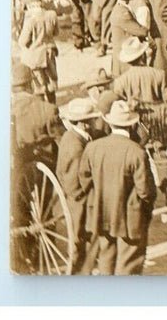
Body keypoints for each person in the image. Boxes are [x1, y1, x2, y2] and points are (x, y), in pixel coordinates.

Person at [78, 100, 156, 275]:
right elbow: (146, 191)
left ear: (109, 123)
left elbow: (84, 179)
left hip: (101, 214)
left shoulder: (92, 148)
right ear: (132, 125)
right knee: (128, 264)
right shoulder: (137, 152)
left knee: (106, 260)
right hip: (130, 219)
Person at [56, 97, 101, 274]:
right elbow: (76, 184)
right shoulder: (76, 147)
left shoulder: (72, 136)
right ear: (83, 123)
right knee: (82, 239)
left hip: (77, 197)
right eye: (92, 119)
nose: (95, 122)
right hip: (80, 201)